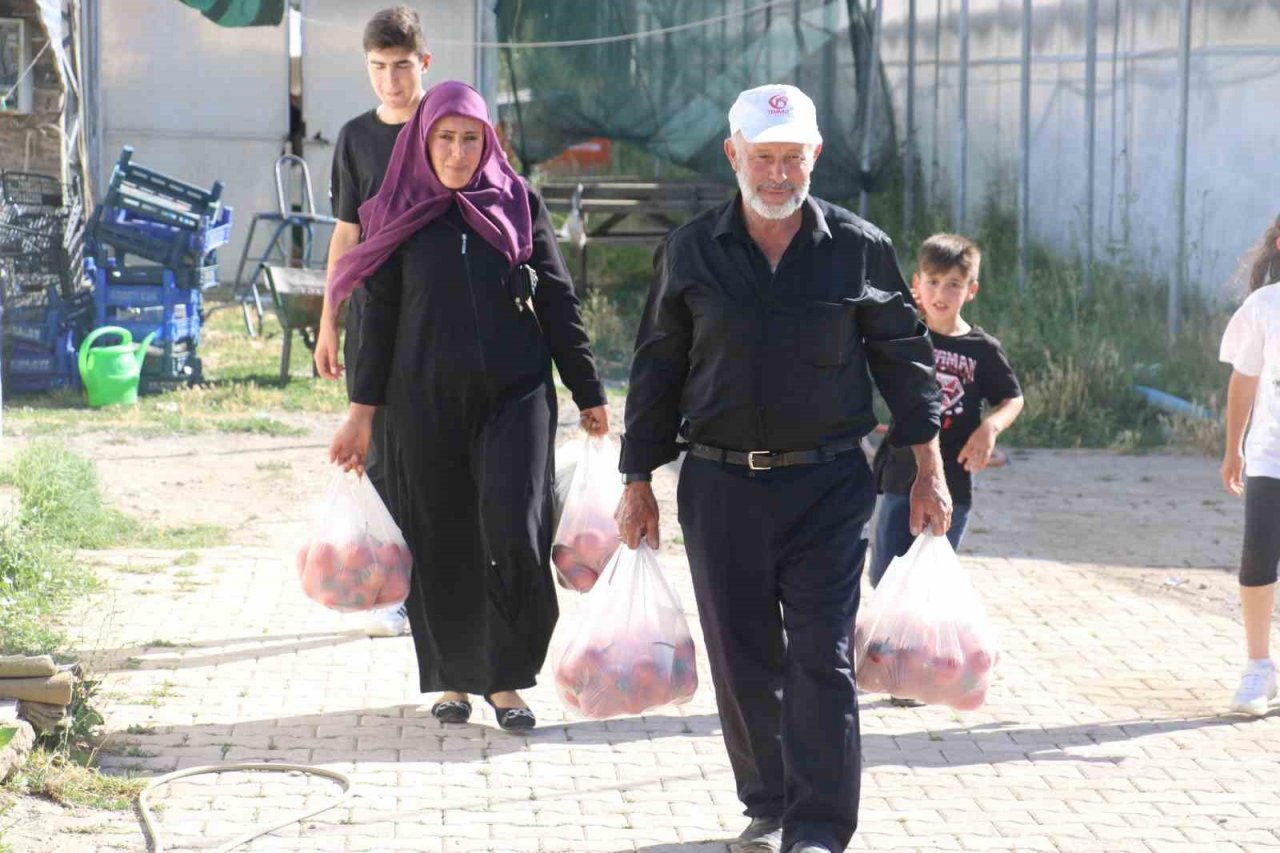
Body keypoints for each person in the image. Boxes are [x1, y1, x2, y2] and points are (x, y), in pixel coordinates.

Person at [614, 84, 948, 853]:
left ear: (815, 157)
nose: (776, 174)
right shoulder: (691, 248)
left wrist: (926, 469)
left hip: (827, 484)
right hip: (719, 483)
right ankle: (768, 800)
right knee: (741, 656)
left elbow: (906, 360)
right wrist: (637, 481)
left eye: (791, 158)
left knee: (822, 655)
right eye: (762, 158)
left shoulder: (858, 247)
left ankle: (820, 825)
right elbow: (657, 367)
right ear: (733, 153)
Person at [327, 81, 610, 731]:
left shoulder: (518, 203)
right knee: (441, 531)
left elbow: (559, 301)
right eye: (445, 138)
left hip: (516, 397)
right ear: (422, 141)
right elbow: (376, 318)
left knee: (513, 527)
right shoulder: (391, 210)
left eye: (470, 138)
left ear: (488, 142)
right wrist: (361, 413)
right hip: (419, 400)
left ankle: (506, 678)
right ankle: (453, 677)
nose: (457, 152)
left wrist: (587, 389)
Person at [314, 6, 431, 638]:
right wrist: (330, 319)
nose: (391, 80)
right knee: (378, 453)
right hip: (372, 318)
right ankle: (391, 588)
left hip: (439, 317)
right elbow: (346, 232)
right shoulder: (355, 138)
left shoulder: (448, 129)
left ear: (424, 64)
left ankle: (440, 584)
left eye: (402, 66)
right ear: (368, 68)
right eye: (379, 68)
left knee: (437, 451)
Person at [868, 233, 1023, 584]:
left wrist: (990, 428)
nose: (941, 293)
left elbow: (1013, 398)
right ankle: (880, 641)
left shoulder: (982, 349)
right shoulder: (904, 335)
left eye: (953, 284)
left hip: (951, 483)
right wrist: (897, 313)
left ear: (971, 290)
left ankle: (922, 642)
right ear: (917, 285)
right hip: (900, 478)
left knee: (929, 584)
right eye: (933, 282)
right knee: (885, 579)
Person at [1220, 213, 1280, 717]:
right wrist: (1232, 446)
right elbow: (1243, 381)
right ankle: (1259, 666)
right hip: (1271, 456)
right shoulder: (1264, 306)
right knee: (1258, 558)